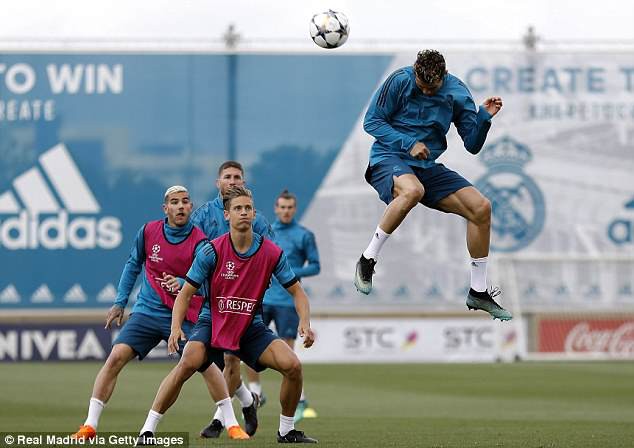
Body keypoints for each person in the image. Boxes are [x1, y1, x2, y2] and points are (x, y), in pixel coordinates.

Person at [137, 186, 318, 444]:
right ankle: (148, 430)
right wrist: (176, 327)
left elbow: (298, 292)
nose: (243, 212)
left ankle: (286, 431)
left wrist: (305, 323)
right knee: (187, 363)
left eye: (247, 208)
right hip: (213, 321)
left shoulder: (271, 252)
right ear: (226, 215)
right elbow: (186, 293)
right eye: (237, 208)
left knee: (293, 366)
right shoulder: (211, 250)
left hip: (250, 327)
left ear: (254, 213)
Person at [71, 186, 248, 441]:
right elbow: (132, 264)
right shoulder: (148, 232)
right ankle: (90, 425)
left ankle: (231, 424)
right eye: (174, 202)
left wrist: (183, 281)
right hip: (147, 311)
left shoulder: (200, 242)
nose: (180, 206)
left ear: (190, 207)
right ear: (165, 209)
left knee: (206, 365)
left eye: (185, 202)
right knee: (115, 357)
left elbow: (208, 281)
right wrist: (120, 302)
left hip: (183, 315)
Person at [354, 49, 512, 321]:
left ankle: (478, 290)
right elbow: (372, 121)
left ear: (444, 76)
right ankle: (367, 259)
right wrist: (408, 143)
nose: (426, 92)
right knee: (413, 190)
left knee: (481, 208)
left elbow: (472, 145)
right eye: (421, 86)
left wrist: (483, 119)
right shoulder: (399, 80)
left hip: (425, 167)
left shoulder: (458, 93)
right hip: (389, 157)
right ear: (414, 72)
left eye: (432, 87)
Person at [190, 160, 274, 438]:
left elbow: (272, 256)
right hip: (211, 301)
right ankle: (248, 401)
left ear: (244, 181)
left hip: (244, 302)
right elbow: (192, 255)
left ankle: (219, 420)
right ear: (218, 183)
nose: (233, 181)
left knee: (231, 360)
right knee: (208, 363)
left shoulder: (256, 218)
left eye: (238, 177)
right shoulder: (203, 216)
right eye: (227, 177)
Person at [245, 190, 320, 422]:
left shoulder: (304, 235)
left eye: (290, 207)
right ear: (276, 209)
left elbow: (315, 266)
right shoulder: (266, 233)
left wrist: (289, 272)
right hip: (262, 298)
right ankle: (255, 392)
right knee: (249, 349)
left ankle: (297, 400)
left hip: (287, 301)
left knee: (287, 353)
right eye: (282, 207)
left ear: (294, 209)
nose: (286, 211)